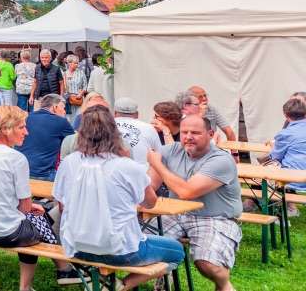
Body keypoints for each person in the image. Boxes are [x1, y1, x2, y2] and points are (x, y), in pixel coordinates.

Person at [53, 106, 184, 290]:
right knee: (177, 250)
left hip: (76, 246)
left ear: (81, 133)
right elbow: (150, 202)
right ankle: (124, 284)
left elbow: (62, 206)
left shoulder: (69, 162)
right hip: (121, 250)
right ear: (115, 132)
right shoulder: (126, 166)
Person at [0, 105, 77, 288]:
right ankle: (46, 276)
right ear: (6, 129)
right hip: (4, 232)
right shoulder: (16, 159)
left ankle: (64, 269)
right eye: (21, 127)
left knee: (36, 218)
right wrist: (33, 208)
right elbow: (25, 209)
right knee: (40, 220)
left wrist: (30, 207)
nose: (26, 132)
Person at [148, 115, 242, 291]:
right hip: (175, 214)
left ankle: (224, 285)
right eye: (184, 132)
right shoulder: (170, 150)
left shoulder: (221, 160)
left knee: (207, 263)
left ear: (210, 134)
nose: (188, 136)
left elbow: (187, 192)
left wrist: (158, 165)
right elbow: (151, 186)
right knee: (140, 244)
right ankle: (161, 275)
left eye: (195, 133)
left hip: (215, 218)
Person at [18, 94, 75, 181]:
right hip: (44, 174)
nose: (64, 112)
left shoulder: (26, 117)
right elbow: (73, 142)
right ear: (55, 107)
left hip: (21, 171)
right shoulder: (61, 121)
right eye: (63, 108)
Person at [269, 96, 306, 191]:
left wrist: (273, 146)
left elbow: (275, 158)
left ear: (285, 115)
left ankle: (251, 202)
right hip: (299, 179)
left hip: (293, 181)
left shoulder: (285, 134)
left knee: (265, 171)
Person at [113, 97, 162, 164]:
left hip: (113, 172)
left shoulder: (105, 126)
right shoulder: (148, 128)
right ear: (137, 114)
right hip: (143, 172)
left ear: (115, 113)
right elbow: (160, 154)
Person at [62, 55, 86, 120]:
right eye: (75, 63)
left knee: (79, 118)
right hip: (68, 100)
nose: (77, 65)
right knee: (69, 119)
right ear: (69, 63)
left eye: (77, 63)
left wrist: (81, 93)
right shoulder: (64, 74)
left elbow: (85, 86)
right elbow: (62, 88)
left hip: (79, 99)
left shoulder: (81, 73)